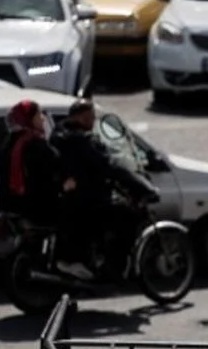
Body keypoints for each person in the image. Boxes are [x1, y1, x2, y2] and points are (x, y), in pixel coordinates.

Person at [50, 97, 161, 281]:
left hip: (72, 199)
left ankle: (97, 259)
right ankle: (113, 268)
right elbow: (110, 166)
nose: (93, 121)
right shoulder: (83, 140)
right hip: (88, 200)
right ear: (83, 117)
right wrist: (142, 186)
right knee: (127, 217)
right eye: (91, 116)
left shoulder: (59, 134)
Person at [0, 100, 59, 228]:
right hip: (36, 212)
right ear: (28, 119)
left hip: (12, 209)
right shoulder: (35, 145)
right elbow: (51, 173)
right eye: (38, 115)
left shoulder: (9, 142)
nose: (43, 119)